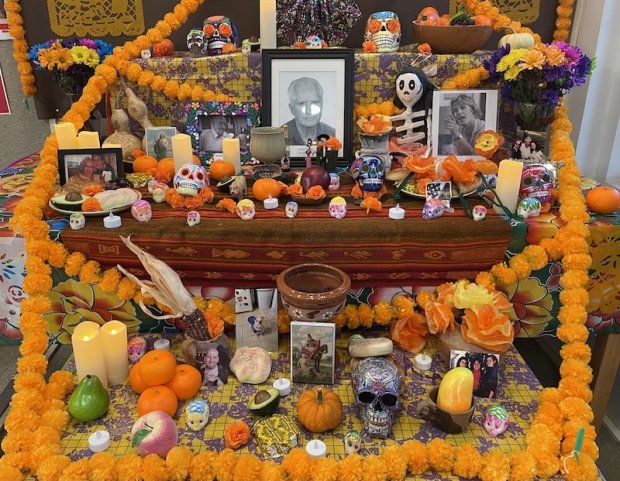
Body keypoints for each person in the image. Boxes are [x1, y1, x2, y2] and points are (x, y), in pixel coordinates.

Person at [284, 77, 335, 146]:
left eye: (314, 103)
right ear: (291, 109)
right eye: (302, 103)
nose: (309, 111)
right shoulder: (278, 137)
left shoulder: (333, 134)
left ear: (322, 105)